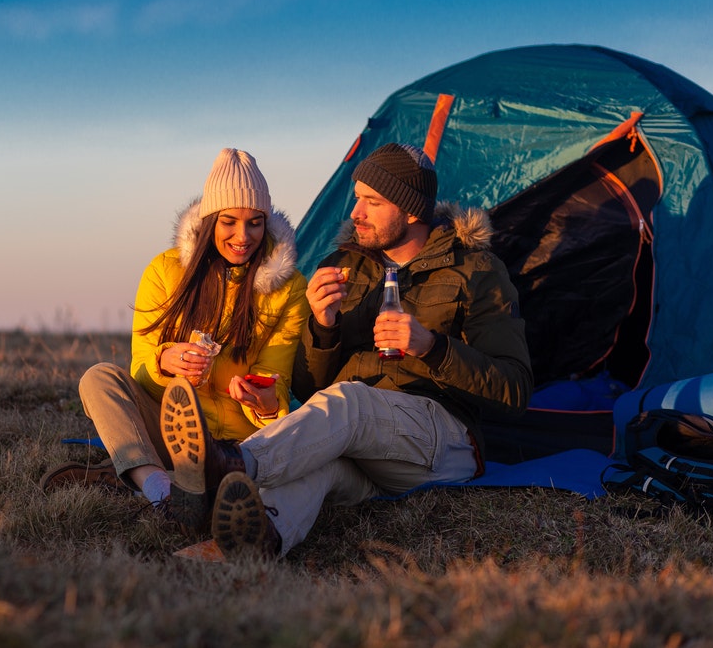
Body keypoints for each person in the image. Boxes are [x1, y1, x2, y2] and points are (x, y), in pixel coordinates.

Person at [159, 142, 533, 557]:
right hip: (359, 443)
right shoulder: (345, 265)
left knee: (348, 403)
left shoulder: (475, 271)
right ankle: (252, 542)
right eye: (357, 200)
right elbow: (308, 385)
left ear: (411, 211)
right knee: (319, 462)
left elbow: (514, 390)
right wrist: (323, 325)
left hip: (439, 439)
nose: (356, 214)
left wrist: (432, 348)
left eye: (372, 202)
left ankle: (223, 467)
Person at [42, 148, 309, 531]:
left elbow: (276, 378)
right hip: (171, 427)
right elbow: (140, 368)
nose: (242, 236)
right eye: (229, 221)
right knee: (99, 378)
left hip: (234, 449)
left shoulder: (289, 288)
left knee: (228, 468)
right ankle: (161, 489)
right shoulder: (165, 271)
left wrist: (263, 400)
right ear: (211, 220)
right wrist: (164, 362)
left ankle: (137, 475)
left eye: (255, 223)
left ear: (266, 223)